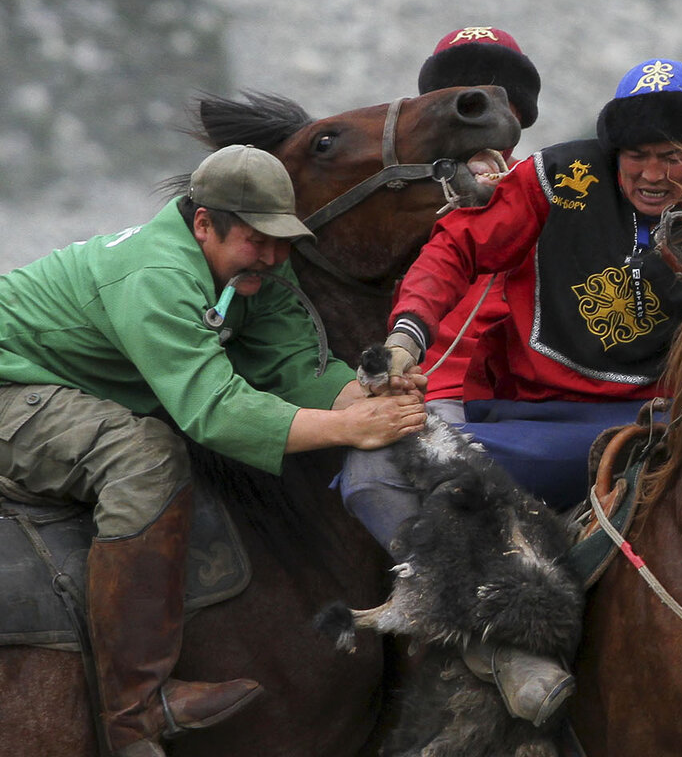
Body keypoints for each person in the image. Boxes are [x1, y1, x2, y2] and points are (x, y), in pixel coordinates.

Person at [337, 57, 682, 727]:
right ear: (614, 152)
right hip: (539, 427)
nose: (656, 174)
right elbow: (456, 248)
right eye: (639, 155)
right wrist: (407, 335)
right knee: (371, 467)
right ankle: (490, 635)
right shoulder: (558, 178)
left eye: (674, 157)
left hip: (672, 429)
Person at [0, 144, 426, 757]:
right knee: (143, 457)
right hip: (13, 384)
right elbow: (213, 409)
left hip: (61, 381)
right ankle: (135, 709)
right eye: (257, 240)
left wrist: (363, 395)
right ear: (203, 223)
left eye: (282, 240)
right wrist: (350, 430)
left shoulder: (257, 268)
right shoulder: (157, 277)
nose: (274, 256)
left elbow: (290, 362)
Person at [413, 25, 542, 424]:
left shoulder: (551, 190)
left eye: (495, 100)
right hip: (421, 390)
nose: (477, 116)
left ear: (517, 113)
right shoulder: (400, 194)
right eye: (461, 102)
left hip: (527, 398)